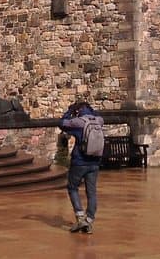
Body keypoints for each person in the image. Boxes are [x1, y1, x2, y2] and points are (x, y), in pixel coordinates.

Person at [58, 99, 104, 234]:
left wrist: (70, 110)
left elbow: (62, 123)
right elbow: (97, 115)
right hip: (95, 162)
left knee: (72, 187)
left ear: (78, 111)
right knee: (91, 191)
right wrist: (90, 109)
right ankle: (89, 220)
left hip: (80, 161)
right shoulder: (99, 121)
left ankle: (80, 217)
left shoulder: (78, 122)